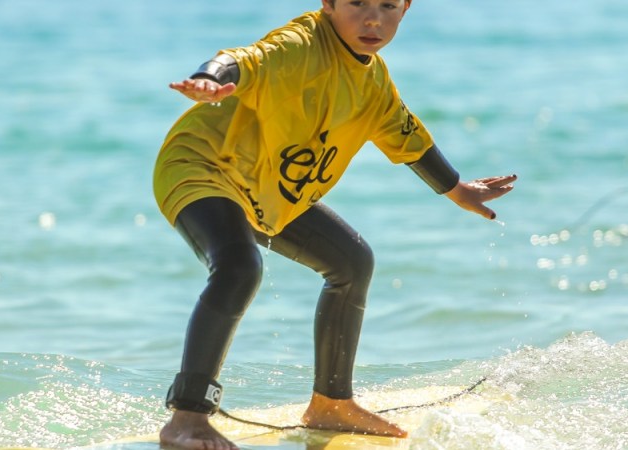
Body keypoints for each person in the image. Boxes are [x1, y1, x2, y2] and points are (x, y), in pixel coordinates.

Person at [152, 0, 517, 448]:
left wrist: (457, 189)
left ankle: (331, 404)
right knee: (238, 267)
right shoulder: (300, 45)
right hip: (202, 166)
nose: (372, 19)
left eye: (386, 5)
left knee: (351, 261)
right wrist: (210, 78)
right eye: (357, 3)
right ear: (327, 4)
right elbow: (243, 59)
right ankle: (187, 417)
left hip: (267, 187)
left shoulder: (374, 84)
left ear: (405, 9)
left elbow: (409, 139)